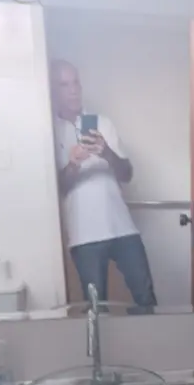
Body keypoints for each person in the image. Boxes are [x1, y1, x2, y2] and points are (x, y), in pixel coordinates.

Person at [50, 59, 156, 311]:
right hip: (83, 235)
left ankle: (153, 337)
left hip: (122, 228)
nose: (73, 90)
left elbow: (127, 174)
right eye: (64, 85)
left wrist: (106, 152)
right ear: (53, 90)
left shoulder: (102, 123)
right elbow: (56, 189)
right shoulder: (50, 131)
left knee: (146, 299)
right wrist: (73, 163)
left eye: (76, 82)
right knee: (96, 310)